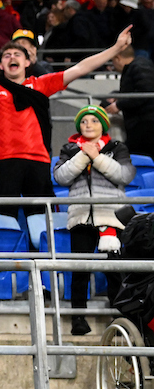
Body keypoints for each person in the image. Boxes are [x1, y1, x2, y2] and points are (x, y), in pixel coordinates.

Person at [0, 23, 133, 225]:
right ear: (1, 65)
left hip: (38, 163)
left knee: (43, 225)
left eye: (18, 54)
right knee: (1, 222)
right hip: (5, 163)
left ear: (28, 63)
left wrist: (115, 49)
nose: (12, 57)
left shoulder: (41, 84)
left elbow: (80, 69)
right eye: (7, 55)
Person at [53, 105, 135, 336]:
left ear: (104, 125)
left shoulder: (116, 147)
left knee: (114, 271)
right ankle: (78, 319)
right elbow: (60, 176)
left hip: (111, 218)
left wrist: (97, 157)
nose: (88, 125)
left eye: (94, 121)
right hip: (81, 217)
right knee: (79, 271)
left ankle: (120, 318)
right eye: (84, 121)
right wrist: (83, 154)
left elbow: (124, 175)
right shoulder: (69, 149)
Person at [105, 41, 154, 158]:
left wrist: (119, 105)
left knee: (138, 157)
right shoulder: (136, 67)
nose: (113, 65)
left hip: (145, 125)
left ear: (117, 58)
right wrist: (118, 96)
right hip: (141, 124)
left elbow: (145, 92)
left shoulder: (139, 66)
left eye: (112, 61)